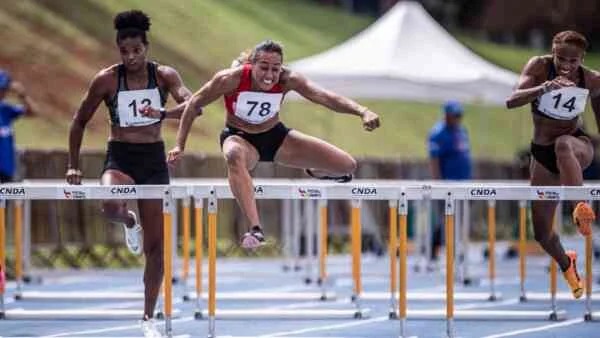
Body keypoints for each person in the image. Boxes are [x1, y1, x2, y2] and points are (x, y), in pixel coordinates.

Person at [167, 39, 380, 249]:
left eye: (275, 69)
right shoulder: (230, 79)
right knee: (233, 154)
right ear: (251, 65)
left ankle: (315, 171)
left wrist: (362, 111)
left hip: (276, 138)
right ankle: (255, 228)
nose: (269, 76)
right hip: (240, 138)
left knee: (348, 165)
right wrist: (179, 144)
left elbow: (325, 97)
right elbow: (194, 103)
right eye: (264, 68)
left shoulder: (289, 79)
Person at [65, 10, 192, 336]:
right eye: (125, 51)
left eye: (137, 50)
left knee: (157, 248)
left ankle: (148, 318)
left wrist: (163, 112)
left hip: (152, 160)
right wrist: (73, 164)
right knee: (110, 205)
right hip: (120, 157)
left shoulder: (164, 76)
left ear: (146, 47)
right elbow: (79, 121)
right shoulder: (107, 79)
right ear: (118, 50)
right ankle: (128, 221)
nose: (132, 57)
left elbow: (193, 106)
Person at [506, 30, 600, 299]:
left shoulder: (591, 79)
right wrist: (544, 87)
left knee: (563, 144)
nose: (567, 66)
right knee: (542, 234)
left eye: (573, 61)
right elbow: (511, 100)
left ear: (582, 58)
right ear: (552, 52)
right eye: (561, 59)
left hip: (577, 146)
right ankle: (566, 263)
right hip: (542, 153)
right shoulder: (539, 66)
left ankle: (579, 208)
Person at [427, 100, 472, 264]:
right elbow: (434, 160)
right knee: (444, 220)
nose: (458, 118)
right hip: (446, 184)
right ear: (447, 115)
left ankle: (455, 250)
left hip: (463, 183)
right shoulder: (438, 133)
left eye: (460, 115)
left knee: (458, 220)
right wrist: (438, 183)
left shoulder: (461, 130)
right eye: (455, 115)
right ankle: (437, 252)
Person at [0, 70, 38, 183]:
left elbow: (33, 112)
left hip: (7, 169)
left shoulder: (6, 110)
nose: (2, 93)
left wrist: (22, 95)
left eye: (4, 89)